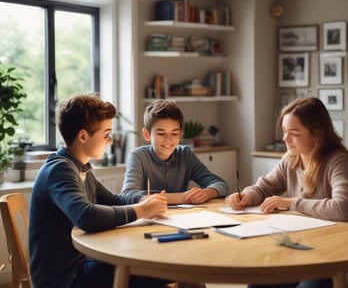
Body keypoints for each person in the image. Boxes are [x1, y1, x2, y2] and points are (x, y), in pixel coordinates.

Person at [225, 97, 348, 288]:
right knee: (258, 284)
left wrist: (292, 203)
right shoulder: (292, 159)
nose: (285, 139)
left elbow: (342, 208)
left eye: (294, 133)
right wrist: (246, 196)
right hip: (307, 251)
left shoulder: (337, 161)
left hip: (341, 260)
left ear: (316, 135)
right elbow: (263, 187)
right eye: (285, 131)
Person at [28, 93, 168, 288]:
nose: (109, 141)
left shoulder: (80, 167)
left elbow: (114, 200)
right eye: (106, 134)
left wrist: (144, 199)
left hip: (80, 262)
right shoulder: (60, 169)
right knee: (153, 270)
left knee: (160, 266)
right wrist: (142, 210)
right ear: (83, 136)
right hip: (64, 278)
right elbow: (86, 216)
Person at [121, 99, 229, 205]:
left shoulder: (185, 154)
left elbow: (221, 185)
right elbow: (127, 194)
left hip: (180, 218)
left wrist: (206, 193)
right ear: (147, 134)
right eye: (161, 133)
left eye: (174, 133)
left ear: (180, 133)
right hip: (149, 217)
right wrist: (183, 197)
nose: (168, 139)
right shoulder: (138, 156)